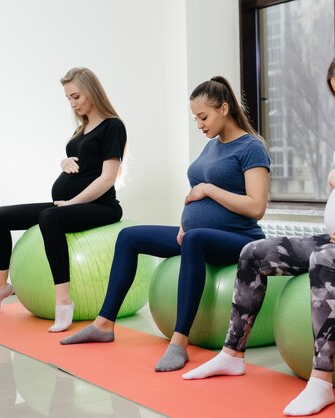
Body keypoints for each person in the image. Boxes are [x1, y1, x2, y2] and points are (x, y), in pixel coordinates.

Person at [181, 44, 335, 416]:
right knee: (254, 252)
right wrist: (333, 177)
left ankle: (321, 382)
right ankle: (231, 354)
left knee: (326, 258)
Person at [60, 76, 271, 372]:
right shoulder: (212, 146)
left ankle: (179, 344)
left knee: (195, 240)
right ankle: (104, 324)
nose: (199, 125)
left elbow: (256, 206)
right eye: (195, 118)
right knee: (129, 237)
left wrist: (208, 191)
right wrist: (187, 222)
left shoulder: (251, 147)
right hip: (198, 235)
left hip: (240, 239)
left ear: (224, 109)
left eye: (203, 117)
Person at [0, 67, 127, 334]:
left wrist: (73, 203)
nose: (73, 104)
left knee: (49, 217)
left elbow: (108, 178)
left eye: (76, 96)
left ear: (92, 92)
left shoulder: (112, 126)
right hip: (69, 203)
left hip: (101, 207)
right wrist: (64, 162)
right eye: (68, 98)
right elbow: (83, 164)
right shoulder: (82, 130)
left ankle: (63, 302)